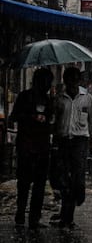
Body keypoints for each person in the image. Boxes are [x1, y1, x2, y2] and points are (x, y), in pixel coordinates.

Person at [53, 67, 92, 228]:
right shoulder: (59, 98)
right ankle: (67, 217)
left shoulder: (86, 97)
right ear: (65, 81)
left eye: (75, 79)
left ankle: (75, 202)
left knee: (77, 179)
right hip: (63, 141)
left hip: (80, 142)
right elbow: (54, 121)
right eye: (69, 80)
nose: (72, 83)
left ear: (79, 81)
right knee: (64, 180)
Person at [12, 67, 54, 228]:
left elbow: (51, 119)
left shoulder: (48, 100)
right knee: (23, 182)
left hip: (42, 146)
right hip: (26, 145)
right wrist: (31, 116)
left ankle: (34, 217)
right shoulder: (24, 97)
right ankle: (21, 213)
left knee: (40, 183)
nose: (47, 86)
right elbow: (14, 116)